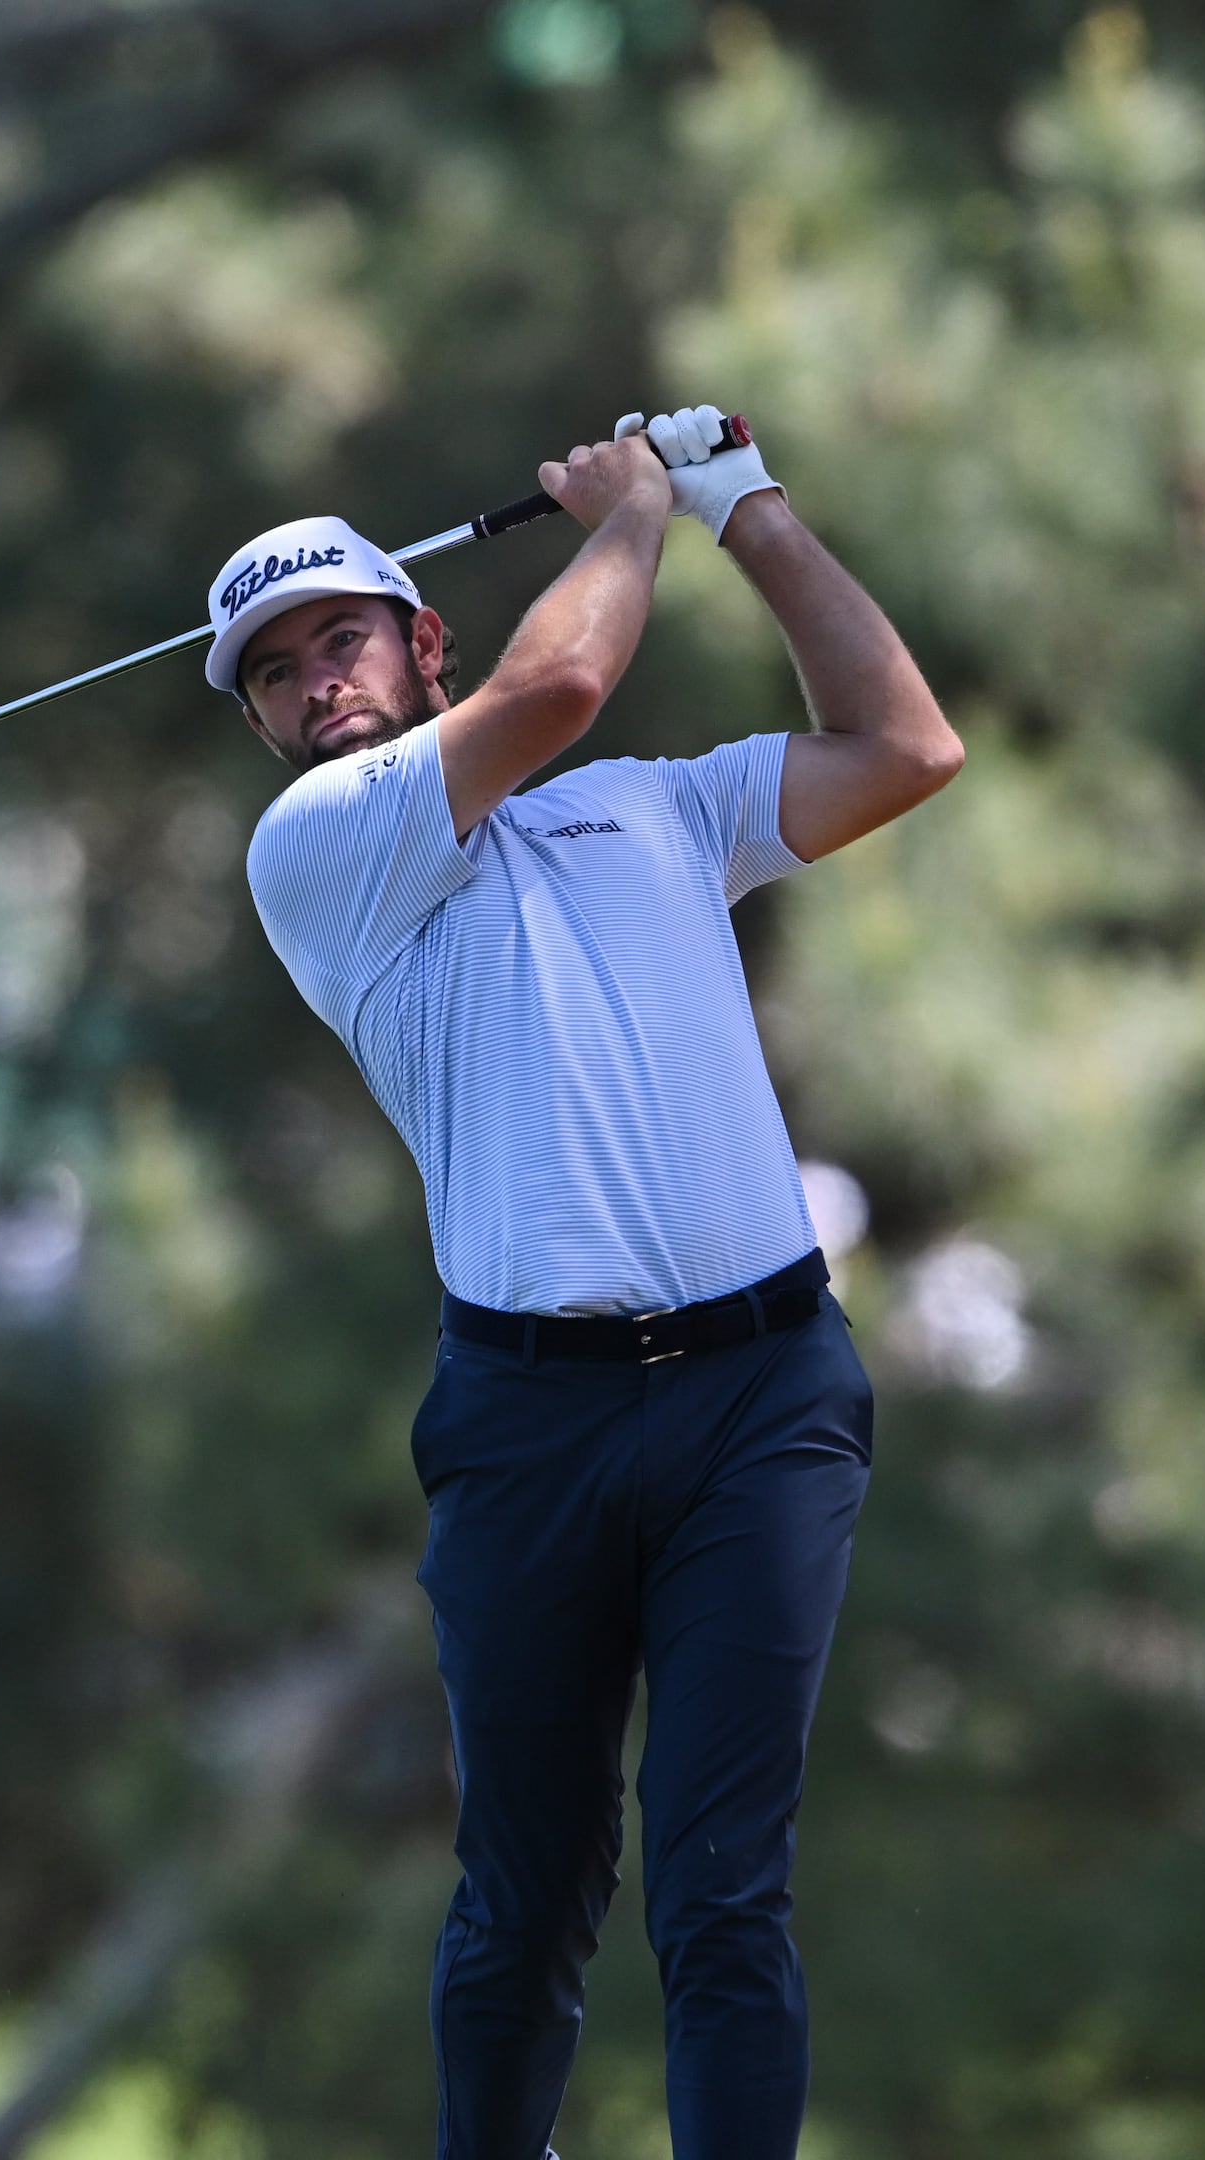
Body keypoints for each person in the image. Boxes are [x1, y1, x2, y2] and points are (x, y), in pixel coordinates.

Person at [207, 410, 960, 2160]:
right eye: (278, 674)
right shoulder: (317, 852)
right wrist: (633, 511)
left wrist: (746, 508)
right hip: (531, 1426)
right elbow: (556, 687)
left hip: (761, 1398)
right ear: (259, 725)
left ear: (422, 637)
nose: (317, 685)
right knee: (527, 1895)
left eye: (341, 639)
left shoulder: (655, 811)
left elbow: (906, 746)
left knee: (721, 1887)